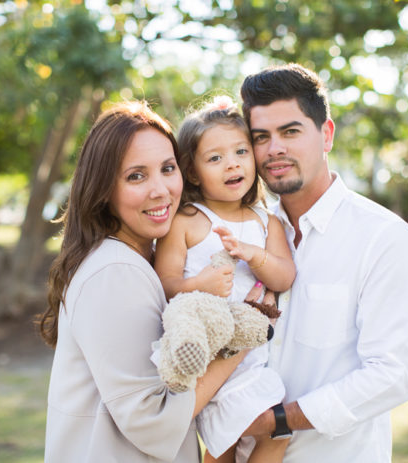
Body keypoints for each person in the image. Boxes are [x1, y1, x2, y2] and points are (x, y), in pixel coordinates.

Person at [236, 64, 408, 462]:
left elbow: (391, 376)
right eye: (261, 137)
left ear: (326, 135)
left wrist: (278, 420)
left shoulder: (384, 238)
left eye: (290, 131)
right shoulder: (245, 235)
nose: (274, 149)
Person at [39, 101, 247, 463]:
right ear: (103, 189)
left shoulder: (143, 261)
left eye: (168, 169)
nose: (161, 190)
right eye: (136, 176)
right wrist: (243, 343)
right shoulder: (114, 272)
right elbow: (153, 421)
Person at [154, 96, 296, 463]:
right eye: (215, 158)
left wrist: (254, 254)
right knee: (233, 444)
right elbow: (164, 283)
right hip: (206, 357)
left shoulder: (267, 222)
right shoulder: (187, 220)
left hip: (253, 361)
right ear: (194, 171)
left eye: (240, 152)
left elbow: (284, 276)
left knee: (270, 433)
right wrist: (197, 284)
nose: (231, 163)